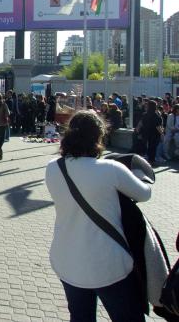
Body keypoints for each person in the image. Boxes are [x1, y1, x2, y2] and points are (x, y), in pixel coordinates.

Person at [45, 111, 151, 322]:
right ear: (98, 136)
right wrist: (139, 174)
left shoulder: (53, 168)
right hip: (108, 264)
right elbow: (144, 194)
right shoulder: (110, 169)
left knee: (80, 317)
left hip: (68, 260)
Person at [136, 100, 163, 165]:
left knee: (145, 146)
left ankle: (145, 159)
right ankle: (151, 160)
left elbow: (140, 123)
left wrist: (137, 130)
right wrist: (162, 134)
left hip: (145, 133)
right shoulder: (157, 116)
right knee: (152, 147)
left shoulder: (144, 114)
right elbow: (158, 127)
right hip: (154, 134)